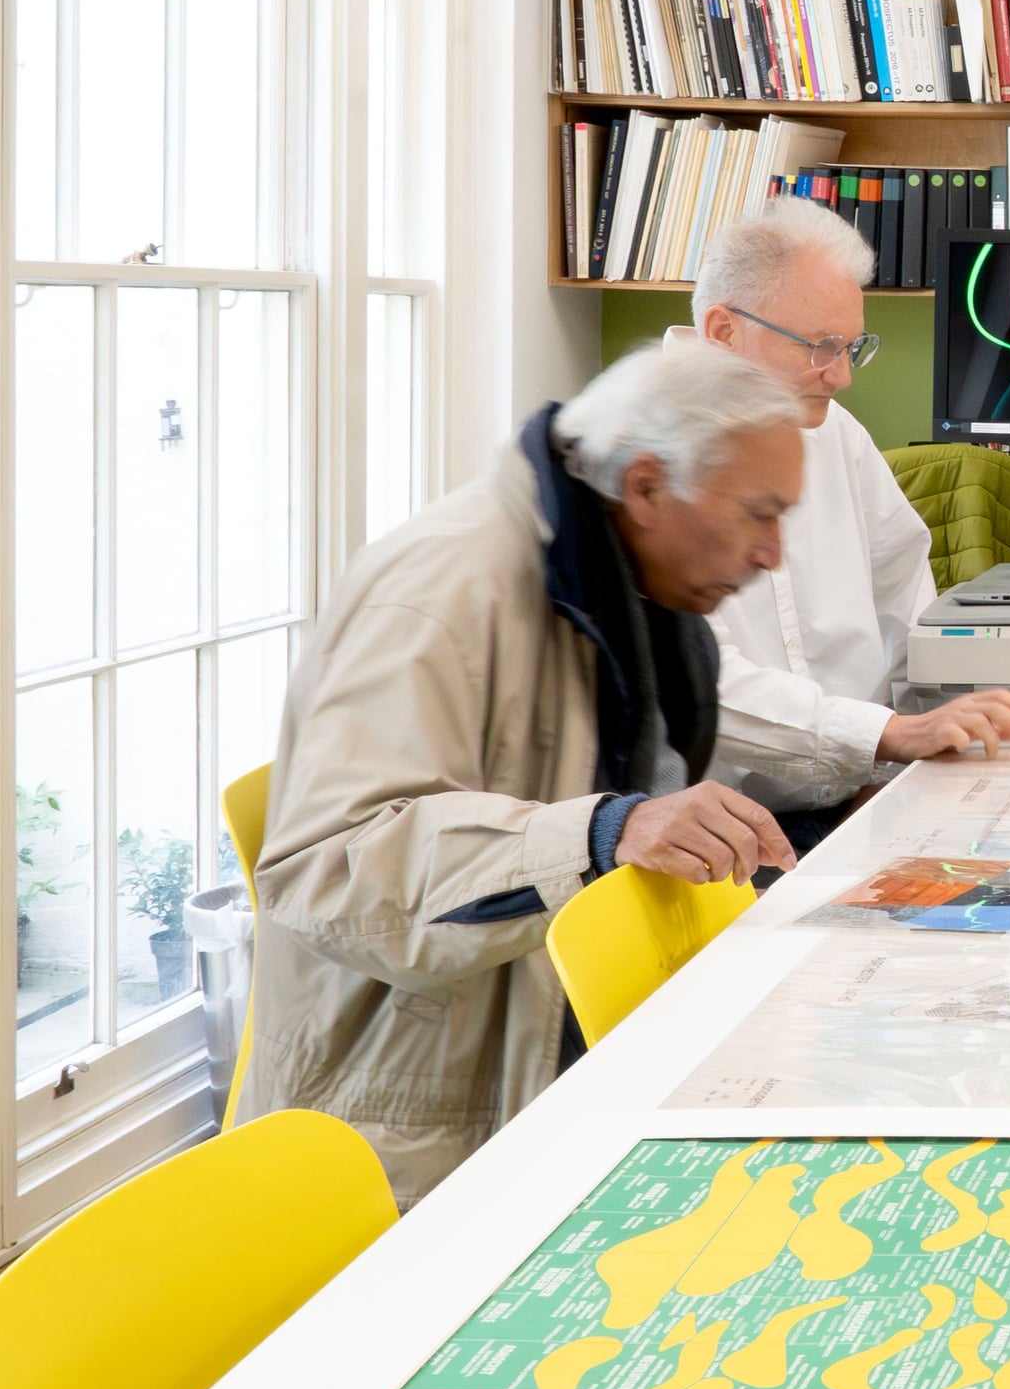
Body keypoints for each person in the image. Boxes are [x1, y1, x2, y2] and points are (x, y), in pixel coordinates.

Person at [248, 339, 812, 1202]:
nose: (774, 553)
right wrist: (601, 833)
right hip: (415, 1131)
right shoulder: (446, 585)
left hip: (553, 1072)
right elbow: (326, 871)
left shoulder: (627, 584)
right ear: (647, 486)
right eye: (760, 514)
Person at [683, 198, 1010, 848]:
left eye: (851, 347)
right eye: (820, 347)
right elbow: (703, 685)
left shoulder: (835, 433)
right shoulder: (653, 464)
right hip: (723, 842)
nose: (841, 376)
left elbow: (907, 610)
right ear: (723, 331)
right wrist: (887, 738)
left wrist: (903, 760)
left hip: (862, 803)